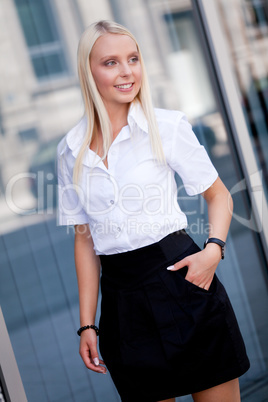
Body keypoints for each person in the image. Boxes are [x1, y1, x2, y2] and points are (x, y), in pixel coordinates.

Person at [57, 20, 250, 402]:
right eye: (111, 62)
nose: (127, 71)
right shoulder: (71, 150)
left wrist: (213, 250)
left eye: (133, 59)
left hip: (183, 282)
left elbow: (220, 195)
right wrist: (87, 326)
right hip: (122, 305)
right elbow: (85, 243)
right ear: (88, 72)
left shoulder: (167, 126)